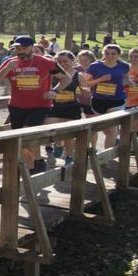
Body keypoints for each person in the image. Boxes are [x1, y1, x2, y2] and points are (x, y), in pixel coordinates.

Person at [0, 35, 62, 174]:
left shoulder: (46, 62)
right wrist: (7, 69)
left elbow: (66, 79)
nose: (20, 51)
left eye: (24, 48)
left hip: (40, 106)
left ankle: (33, 167)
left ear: (32, 47)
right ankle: (36, 163)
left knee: (26, 136)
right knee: (20, 142)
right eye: (18, 48)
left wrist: (54, 91)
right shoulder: (10, 62)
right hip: (17, 106)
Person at [82, 43, 130, 150]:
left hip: (117, 100)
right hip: (99, 100)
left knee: (111, 130)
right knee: (104, 128)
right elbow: (85, 83)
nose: (110, 56)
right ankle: (104, 150)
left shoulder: (124, 66)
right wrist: (100, 80)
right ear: (103, 53)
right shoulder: (95, 66)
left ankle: (106, 158)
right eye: (107, 53)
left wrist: (128, 82)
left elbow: (126, 79)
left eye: (113, 54)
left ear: (118, 55)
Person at [46, 49, 83, 179]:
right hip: (55, 105)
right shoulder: (53, 74)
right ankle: (59, 145)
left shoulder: (78, 75)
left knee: (69, 134)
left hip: (71, 106)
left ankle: (69, 156)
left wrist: (85, 91)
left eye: (65, 61)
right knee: (51, 129)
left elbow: (85, 91)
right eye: (59, 61)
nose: (62, 64)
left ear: (72, 61)